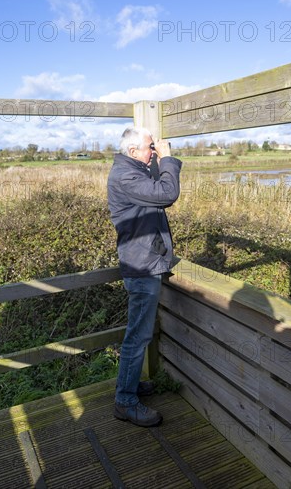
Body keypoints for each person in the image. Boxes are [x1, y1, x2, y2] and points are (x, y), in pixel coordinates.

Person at [107, 127, 182, 427]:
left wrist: (157, 158)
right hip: (141, 266)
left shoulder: (131, 169)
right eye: (150, 148)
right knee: (138, 336)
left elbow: (154, 186)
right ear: (133, 151)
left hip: (144, 261)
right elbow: (167, 193)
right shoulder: (127, 176)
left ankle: (130, 385)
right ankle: (125, 401)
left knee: (139, 332)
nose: (154, 151)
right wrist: (168, 159)